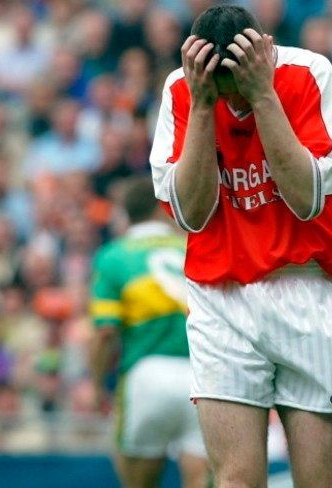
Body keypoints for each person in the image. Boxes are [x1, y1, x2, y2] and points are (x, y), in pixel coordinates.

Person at [149, 5, 332, 488]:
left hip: (304, 288)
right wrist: (204, 105)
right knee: (235, 481)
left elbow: (307, 200)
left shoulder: (309, 72)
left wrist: (262, 94)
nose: (233, 101)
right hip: (219, 295)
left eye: (236, 87)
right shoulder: (181, 89)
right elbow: (192, 214)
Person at [89, 178, 208, 488]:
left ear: (126, 214)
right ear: (161, 210)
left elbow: (105, 333)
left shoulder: (113, 256)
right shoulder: (191, 246)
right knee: (200, 478)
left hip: (145, 375)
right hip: (200, 377)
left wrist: (98, 384)